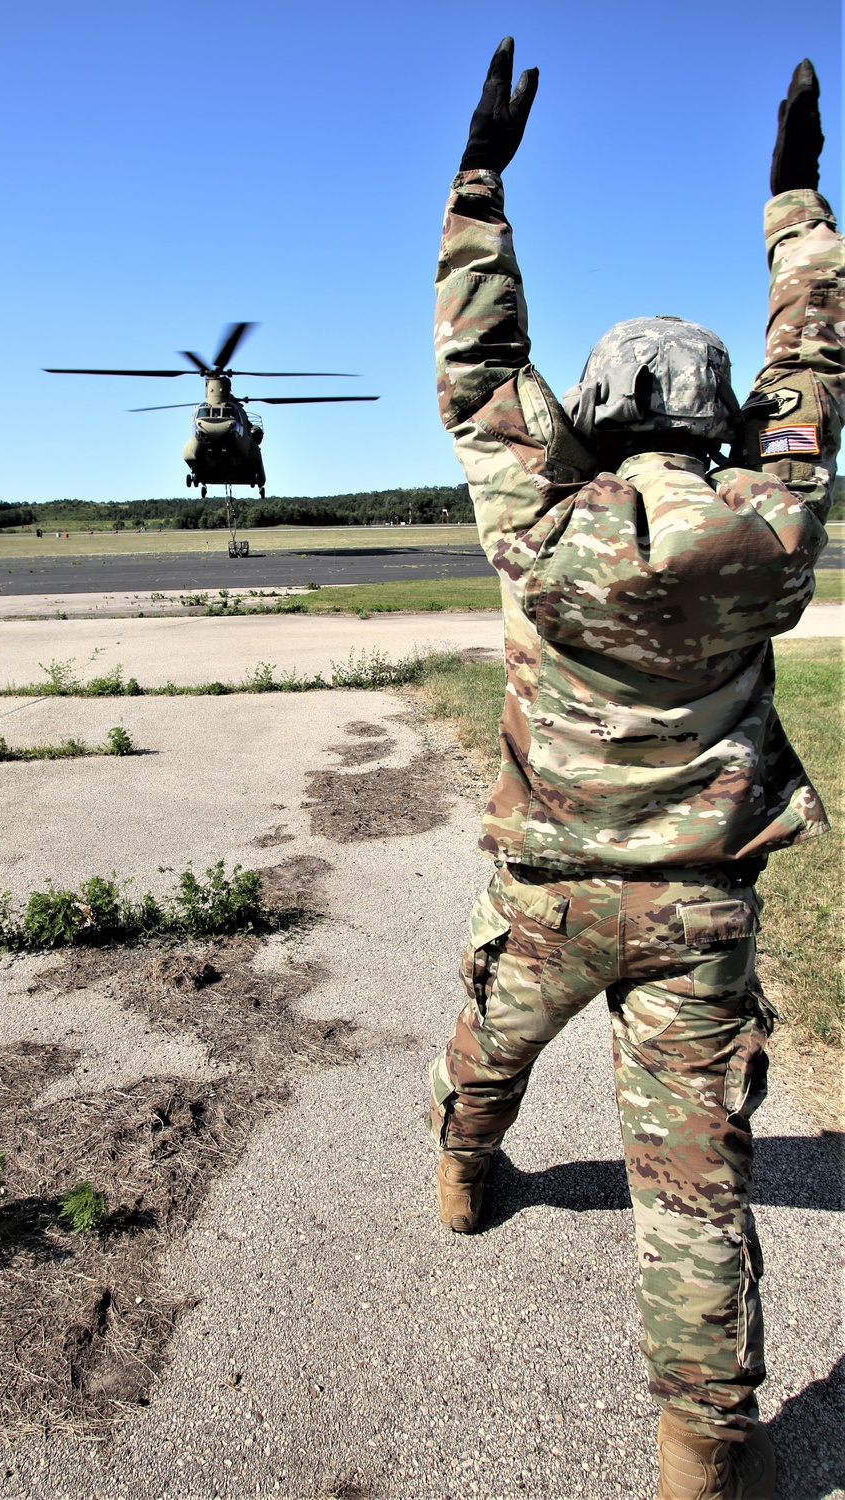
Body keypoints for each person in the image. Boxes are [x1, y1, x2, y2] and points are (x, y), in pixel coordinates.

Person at [428, 37, 842, 1500]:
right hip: (699, 917)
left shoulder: (541, 523)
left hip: (545, 888)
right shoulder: (778, 525)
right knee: (695, 1188)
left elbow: (478, 369)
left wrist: (482, 181)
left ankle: (469, 1171)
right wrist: (798, 202)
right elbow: (811, 371)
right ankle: (703, 1444)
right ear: (719, 421)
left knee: (486, 1052)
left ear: (593, 414)